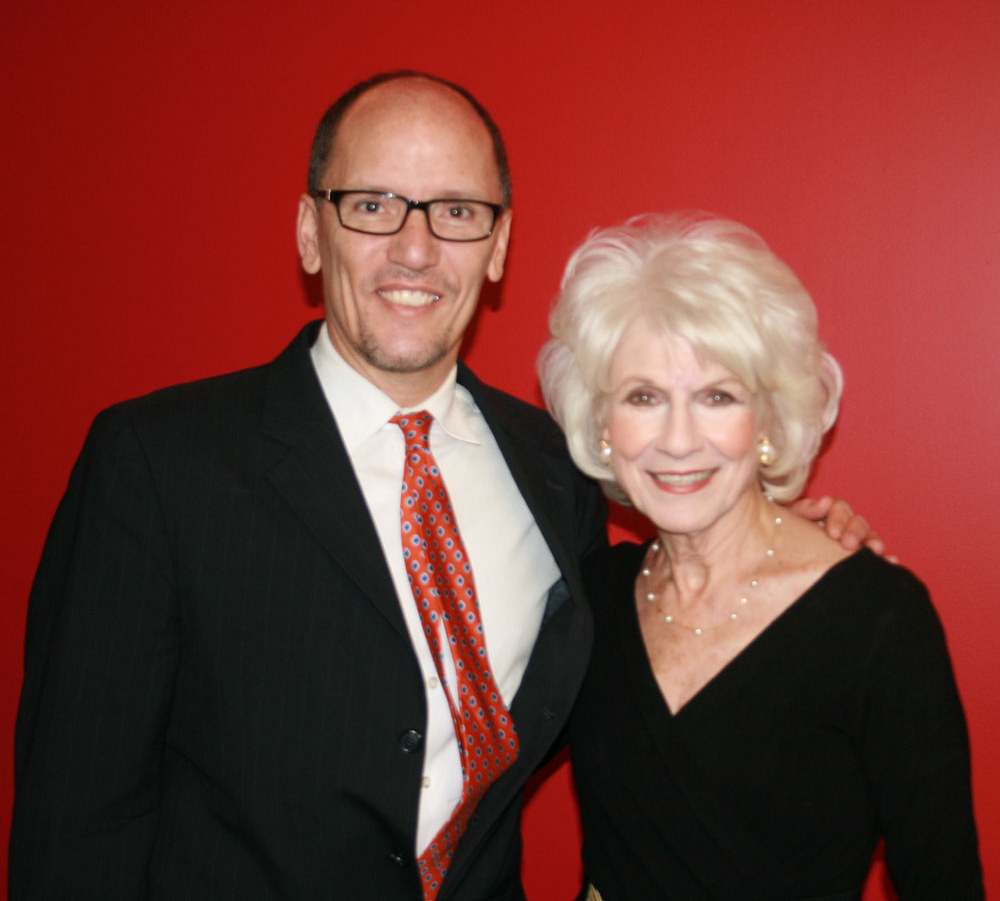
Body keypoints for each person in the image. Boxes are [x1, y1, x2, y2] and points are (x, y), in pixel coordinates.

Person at [10, 72, 874, 900]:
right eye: (373, 205)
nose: (415, 250)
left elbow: (620, 666)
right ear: (311, 231)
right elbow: (77, 815)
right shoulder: (158, 463)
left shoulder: (559, 468)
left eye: (457, 212)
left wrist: (766, 547)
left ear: (498, 247)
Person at [539, 213, 984, 900]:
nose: (678, 440)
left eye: (717, 396)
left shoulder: (877, 619)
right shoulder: (590, 598)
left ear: (769, 422)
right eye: (643, 397)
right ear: (602, 425)